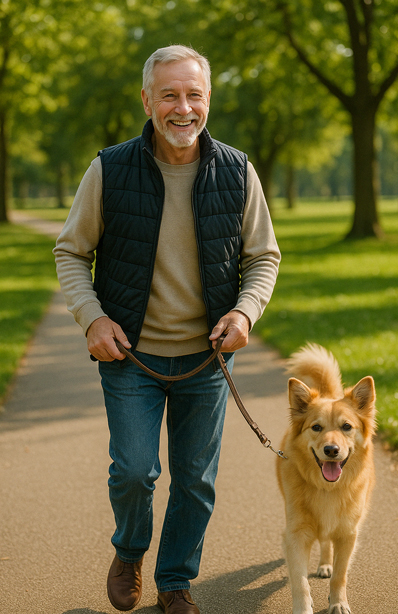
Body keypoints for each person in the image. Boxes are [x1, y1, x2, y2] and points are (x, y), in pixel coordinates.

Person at [54, 45, 280, 614]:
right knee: (134, 471)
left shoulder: (238, 170)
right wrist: (93, 317)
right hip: (132, 357)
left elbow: (263, 257)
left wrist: (245, 312)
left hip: (208, 362)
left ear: (208, 99)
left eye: (194, 94)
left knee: (196, 483)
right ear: (148, 100)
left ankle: (174, 582)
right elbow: (70, 251)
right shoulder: (110, 167)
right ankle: (129, 550)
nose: (183, 107)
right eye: (171, 95)